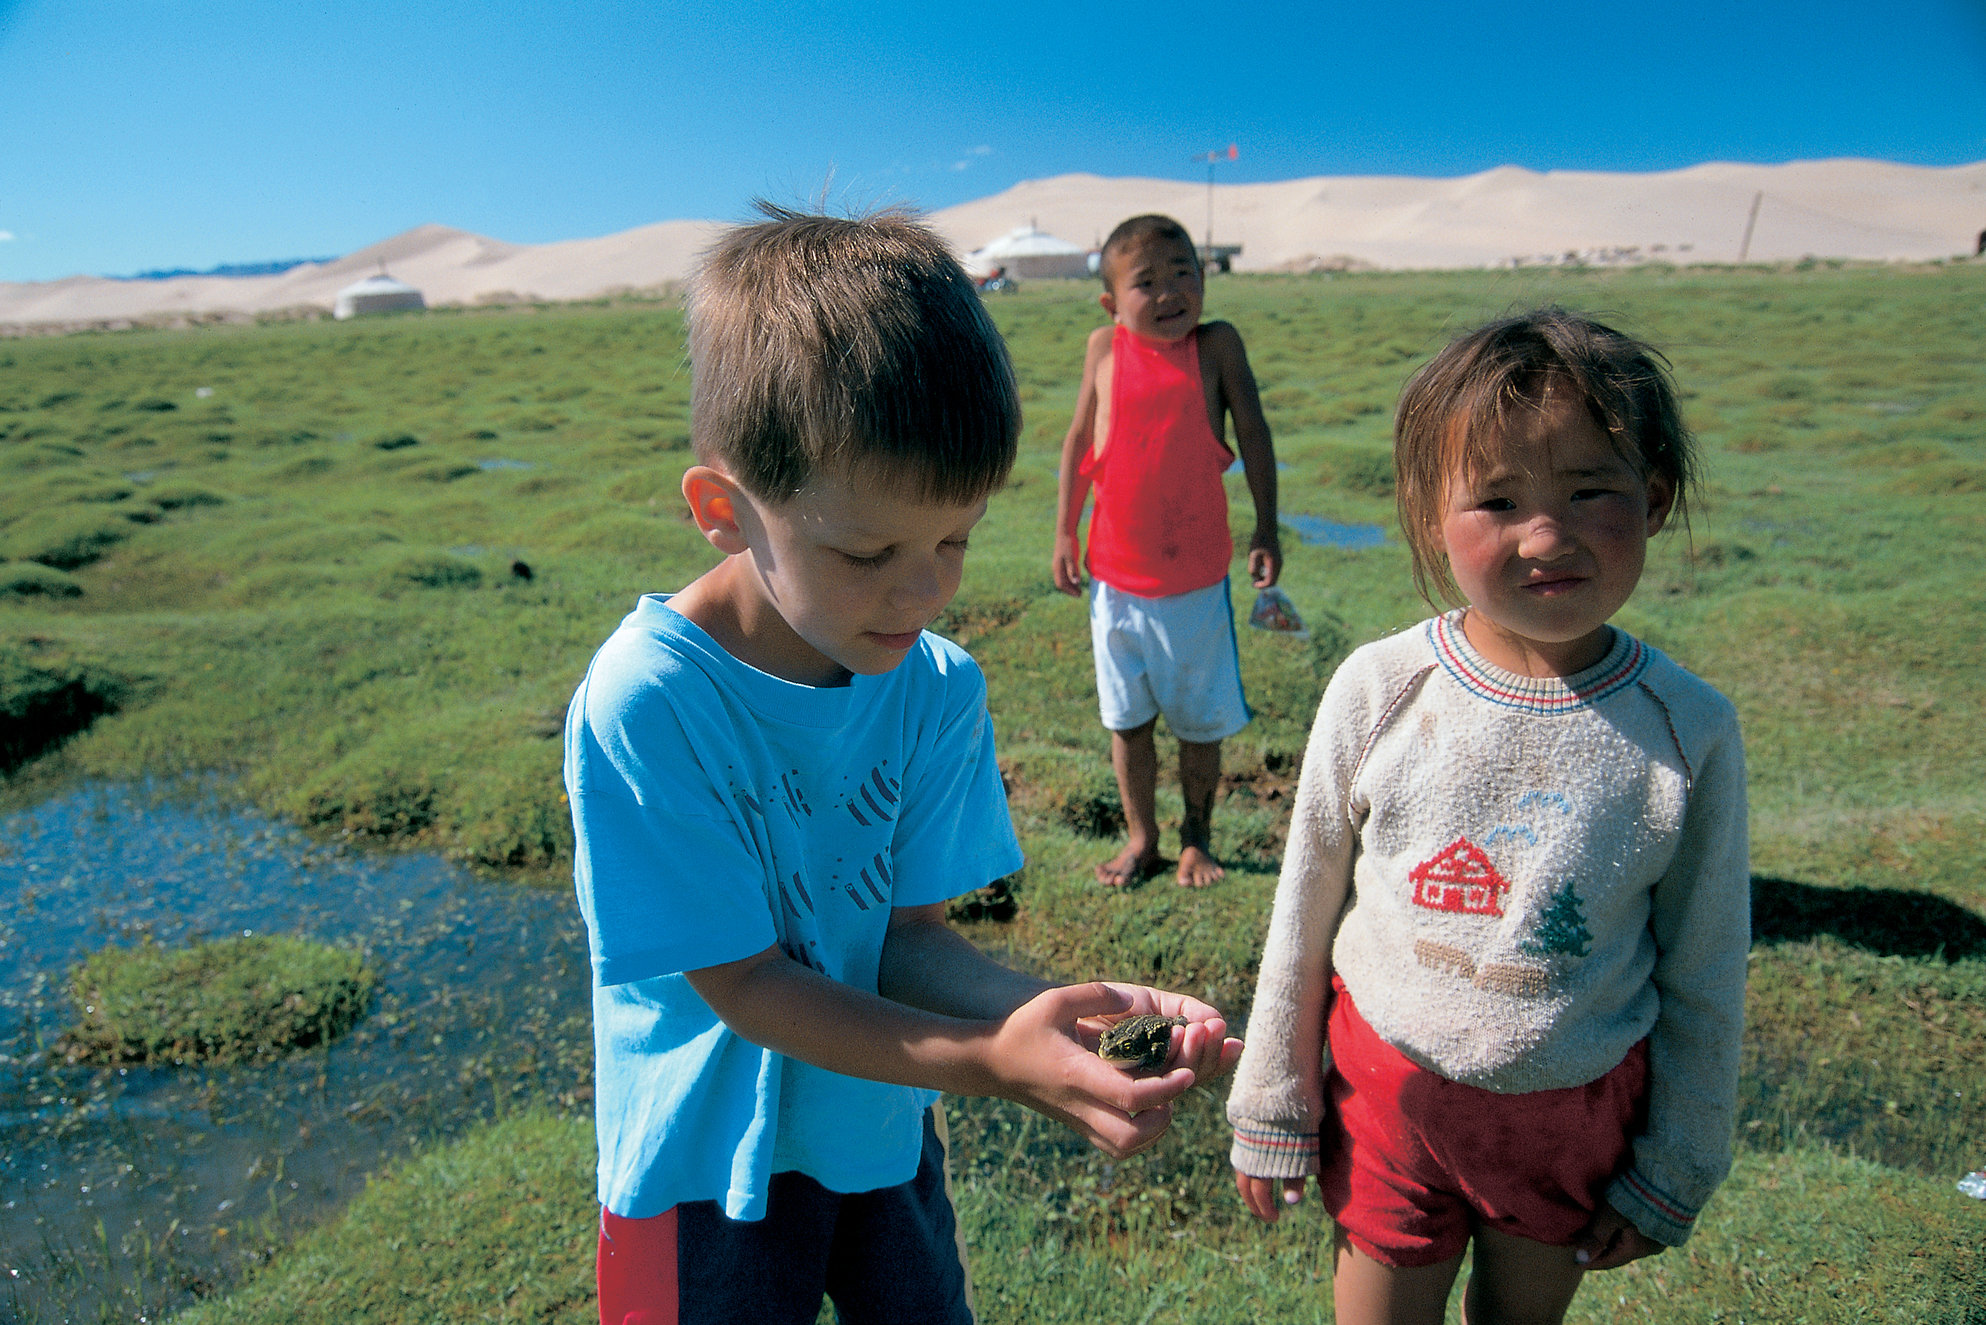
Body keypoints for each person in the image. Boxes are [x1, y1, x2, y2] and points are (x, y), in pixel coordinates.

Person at [563, 204, 1242, 1325]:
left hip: (881, 1130)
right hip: (700, 1178)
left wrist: (1064, 1017)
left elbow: (905, 938)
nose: (923, 591)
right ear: (723, 510)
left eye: (955, 538)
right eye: (868, 550)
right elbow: (745, 984)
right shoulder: (650, 700)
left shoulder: (932, 683)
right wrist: (993, 1058)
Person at [1226, 308, 1749, 1325]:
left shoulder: (1690, 731)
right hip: (1385, 1099)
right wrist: (1270, 1102)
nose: (1546, 535)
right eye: (1498, 499)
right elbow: (1303, 911)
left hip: (1574, 1116)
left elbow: (1707, 967)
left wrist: (1679, 1157)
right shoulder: (1380, 688)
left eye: (1591, 490)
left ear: (1654, 497)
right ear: (1431, 518)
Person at [1051, 213, 1282, 890]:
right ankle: (1142, 836)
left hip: (1193, 583)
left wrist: (1267, 525)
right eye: (1145, 282)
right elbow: (1074, 445)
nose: (1169, 292)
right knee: (1127, 722)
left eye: (1183, 273)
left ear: (1205, 279)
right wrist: (1065, 530)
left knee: (1198, 723)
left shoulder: (1215, 347)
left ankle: (1198, 838)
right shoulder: (1103, 349)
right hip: (1114, 581)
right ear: (1111, 303)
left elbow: (1256, 432)